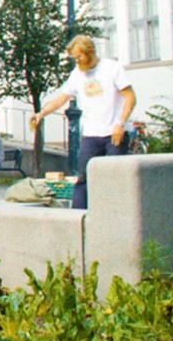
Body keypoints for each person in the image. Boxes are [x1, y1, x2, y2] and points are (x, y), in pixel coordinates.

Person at [30, 34, 137, 209]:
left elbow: (130, 98)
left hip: (114, 133)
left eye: (79, 57)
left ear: (89, 52)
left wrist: (121, 123)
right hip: (91, 134)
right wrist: (41, 114)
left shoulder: (112, 68)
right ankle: (77, 219)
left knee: (113, 179)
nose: (77, 62)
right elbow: (61, 98)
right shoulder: (77, 74)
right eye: (74, 58)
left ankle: (113, 217)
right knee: (83, 178)